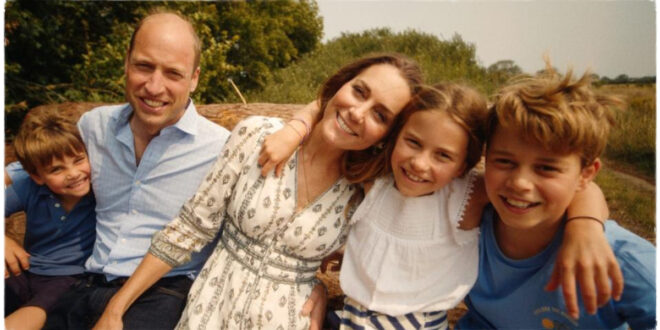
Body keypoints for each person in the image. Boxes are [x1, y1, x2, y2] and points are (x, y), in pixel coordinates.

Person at [92, 53, 424, 330]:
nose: (358, 113)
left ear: (386, 135)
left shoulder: (365, 191)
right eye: (359, 92)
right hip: (211, 311)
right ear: (341, 85)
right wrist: (116, 307)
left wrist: (318, 285)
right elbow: (190, 228)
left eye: (380, 115)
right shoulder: (257, 135)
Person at [261, 82, 619, 330]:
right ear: (395, 137)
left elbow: (580, 187)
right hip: (354, 319)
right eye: (413, 143)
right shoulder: (375, 179)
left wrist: (585, 225)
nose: (420, 163)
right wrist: (294, 129)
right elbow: (326, 107)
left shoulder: (467, 196)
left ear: (464, 164)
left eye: (443, 155)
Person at [43, 9, 231, 329]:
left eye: (173, 73)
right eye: (144, 66)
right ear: (127, 63)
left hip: (165, 293)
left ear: (194, 78)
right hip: (85, 284)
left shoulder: (222, 149)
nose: (154, 87)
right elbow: (28, 170)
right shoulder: (93, 127)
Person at [456, 66, 656, 329]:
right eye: (504, 161)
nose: (519, 183)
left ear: (586, 174)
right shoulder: (468, 223)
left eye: (546, 168)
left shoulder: (624, 263)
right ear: (485, 156)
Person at [4, 108, 96, 330]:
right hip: (27, 268)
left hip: (72, 277)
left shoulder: (100, 186)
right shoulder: (29, 186)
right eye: (57, 169)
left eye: (78, 160)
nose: (73, 173)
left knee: (38, 310)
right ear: (37, 176)